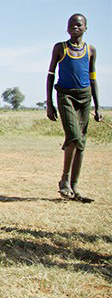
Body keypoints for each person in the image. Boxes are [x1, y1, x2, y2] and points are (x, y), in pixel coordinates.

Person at [46, 13, 101, 201]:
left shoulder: (91, 50)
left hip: (85, 97)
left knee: (81, 143)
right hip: (65, 95)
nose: (75, 27)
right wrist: (49, 104)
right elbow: (50, 75)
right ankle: (64, 180)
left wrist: (98, 106)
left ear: (86, 28)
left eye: (79, 25)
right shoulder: (60, 48)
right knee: (74, 136)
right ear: (67, 28)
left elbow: (93, 79)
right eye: (71, 25)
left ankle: (75, 185)